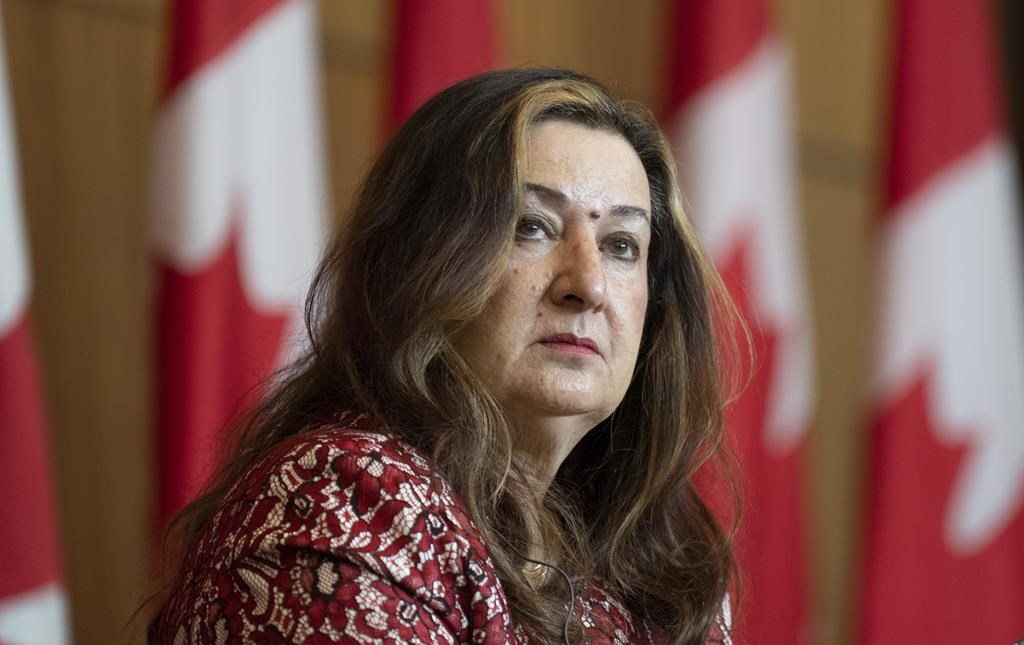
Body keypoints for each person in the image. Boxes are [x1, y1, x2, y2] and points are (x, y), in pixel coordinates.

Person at [148, 68, 738, 644]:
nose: (589, 284)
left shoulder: (662, 579)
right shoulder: (347, 499)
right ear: (423, 265)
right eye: (531, 226)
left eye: (620, 246)